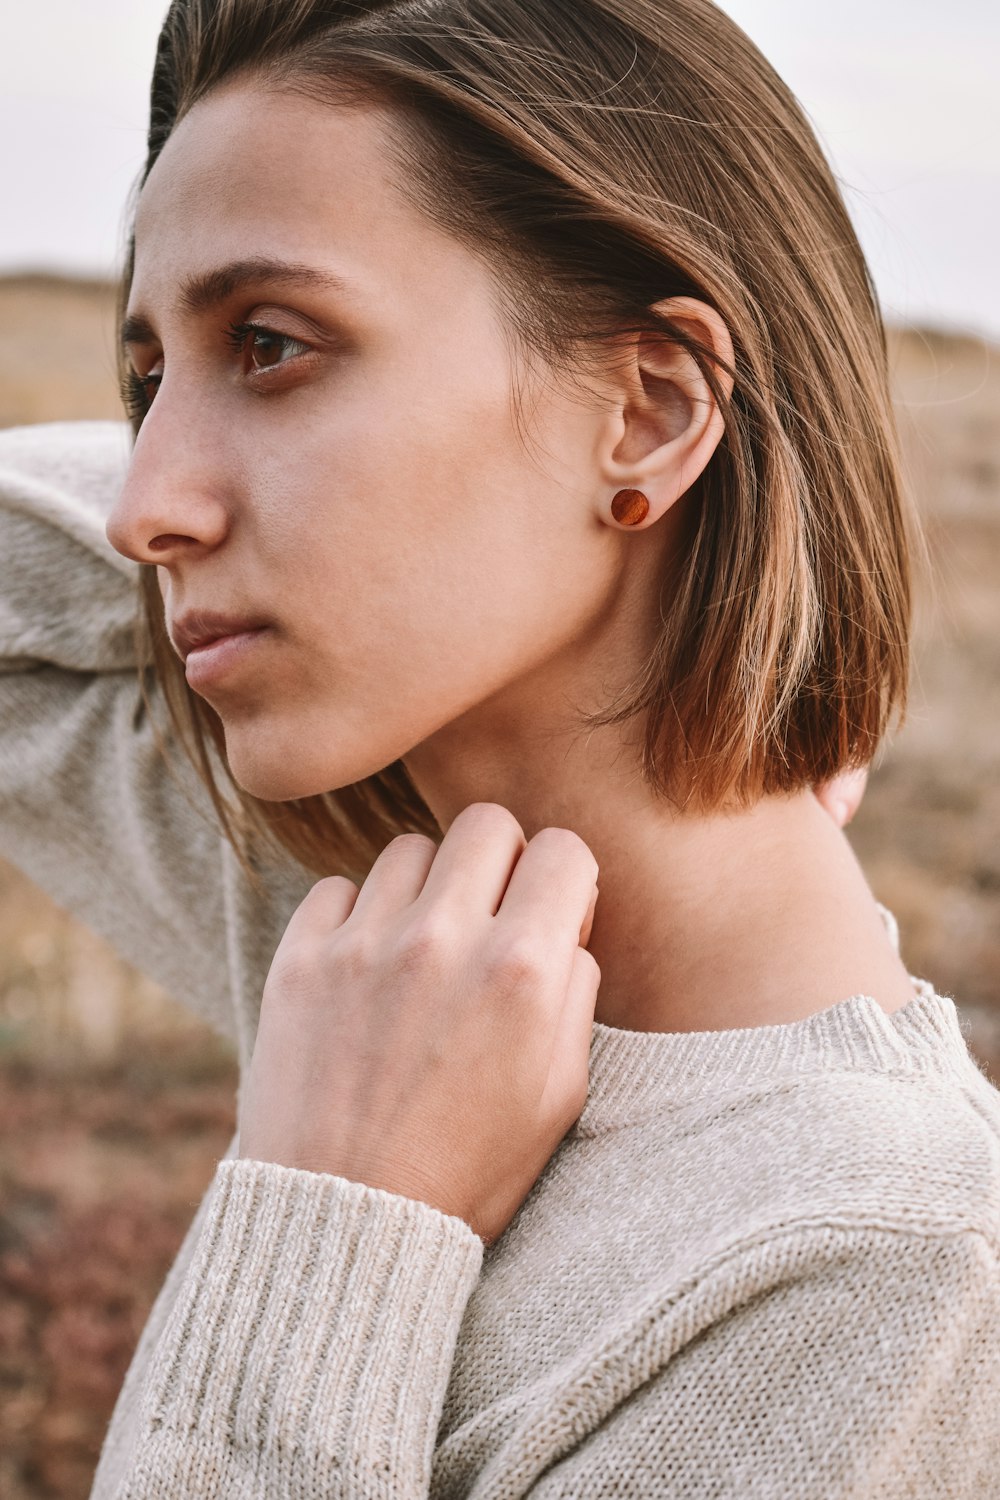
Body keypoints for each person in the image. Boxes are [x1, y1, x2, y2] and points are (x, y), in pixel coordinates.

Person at [2, 0, 998, 1494]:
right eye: (150, 384)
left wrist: (339, 1213)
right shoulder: (386, 936)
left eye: (270, 345)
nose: (148, 506)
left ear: (650, 410)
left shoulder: (877, 1268)